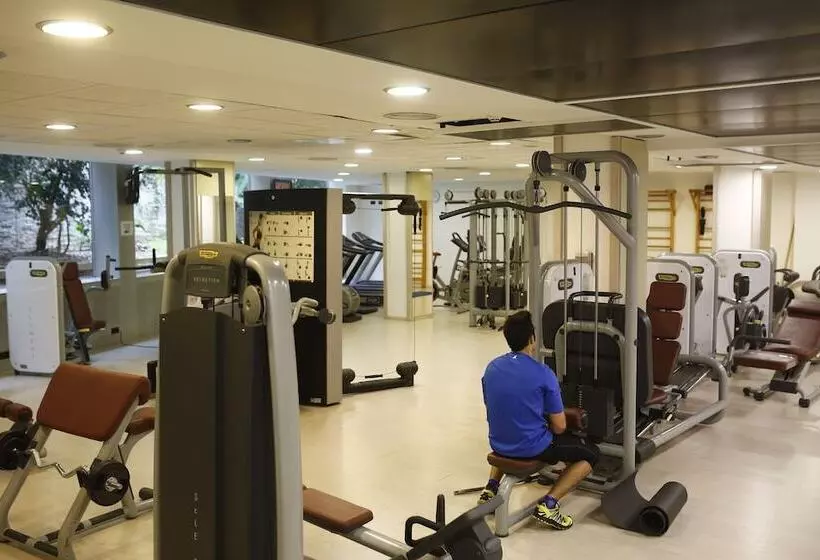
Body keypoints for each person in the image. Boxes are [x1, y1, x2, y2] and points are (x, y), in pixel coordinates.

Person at [479, 310, 599, 530]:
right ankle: (549, 504)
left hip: (498, 442)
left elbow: (494, 406)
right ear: (532, 339)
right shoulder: (543, 373)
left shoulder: (491, 367)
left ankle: (491, 487)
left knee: (510, 425)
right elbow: (560, 427)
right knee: (590, 454)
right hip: (531, 448)